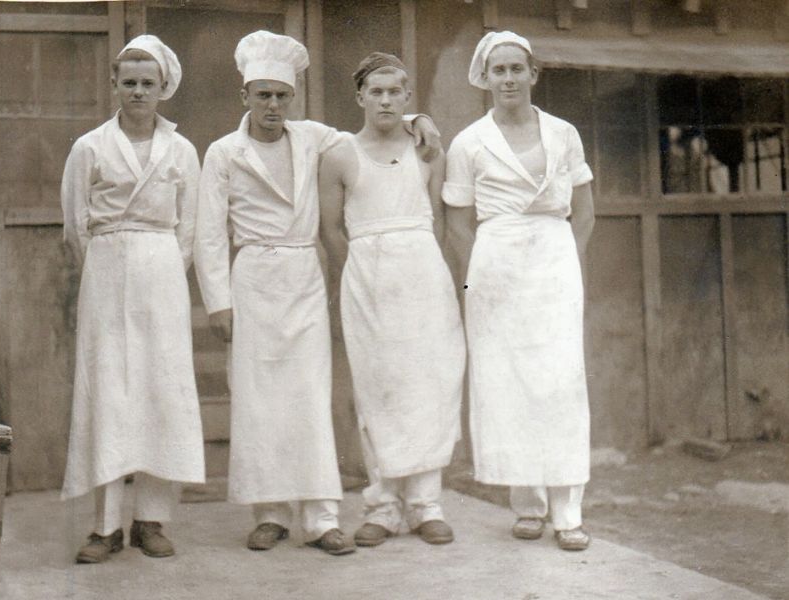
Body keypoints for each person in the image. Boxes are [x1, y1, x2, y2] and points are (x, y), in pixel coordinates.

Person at [194, 31, 440, 556]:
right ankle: (270, 513)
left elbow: (378, 124)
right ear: (245, 96)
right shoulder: (223, 153)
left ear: (293, 98)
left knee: (309, 395)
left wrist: (419, 118)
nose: (273, 106)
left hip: (304, 274)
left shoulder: (313, 138)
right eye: (263, 95)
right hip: (253, 278)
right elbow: (209, 232)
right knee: (259, 400)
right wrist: (218, 301)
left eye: (282, 96)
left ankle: (321, 517)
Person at [443, 31, 596, 551]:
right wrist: (478, 281)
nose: (507, 78)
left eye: (516, 69)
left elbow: (584, 212)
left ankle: (568, 512)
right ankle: (527, 505)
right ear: (485, 78)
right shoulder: (469, 142)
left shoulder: (563, 133)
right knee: (509, 385)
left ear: (533, 74)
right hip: (495, 266)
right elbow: (457, 224)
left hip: (554, 262)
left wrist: (568, 266)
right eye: (498, 70)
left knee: (561, 383)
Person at [61, 34, 205, 563]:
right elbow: (75, 224)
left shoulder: (182, 150)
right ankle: (105, 528)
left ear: (163, 87)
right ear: (115, 85)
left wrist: (156, 263)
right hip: (105, 268)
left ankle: (151, 520)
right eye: (130, 83)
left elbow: (189, 229)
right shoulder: (90, 146)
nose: (139, 92)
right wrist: (110, 260)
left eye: (148, 83)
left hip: (160, 272)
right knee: (108, 391)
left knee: (159, 390)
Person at [318, 52, 465, 548]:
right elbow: (330, 230)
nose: (384, 100)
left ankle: (426, 505)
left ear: (407, 97)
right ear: (360, 96)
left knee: (427, 384)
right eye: (375, 91)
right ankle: (382, 507)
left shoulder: (427, 150)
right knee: (377, 388)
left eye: (394, 92)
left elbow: (439, 223)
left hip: (422, 272)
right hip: (366, 275)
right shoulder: (339, 154)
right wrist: (363, 273)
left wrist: (419, 266)